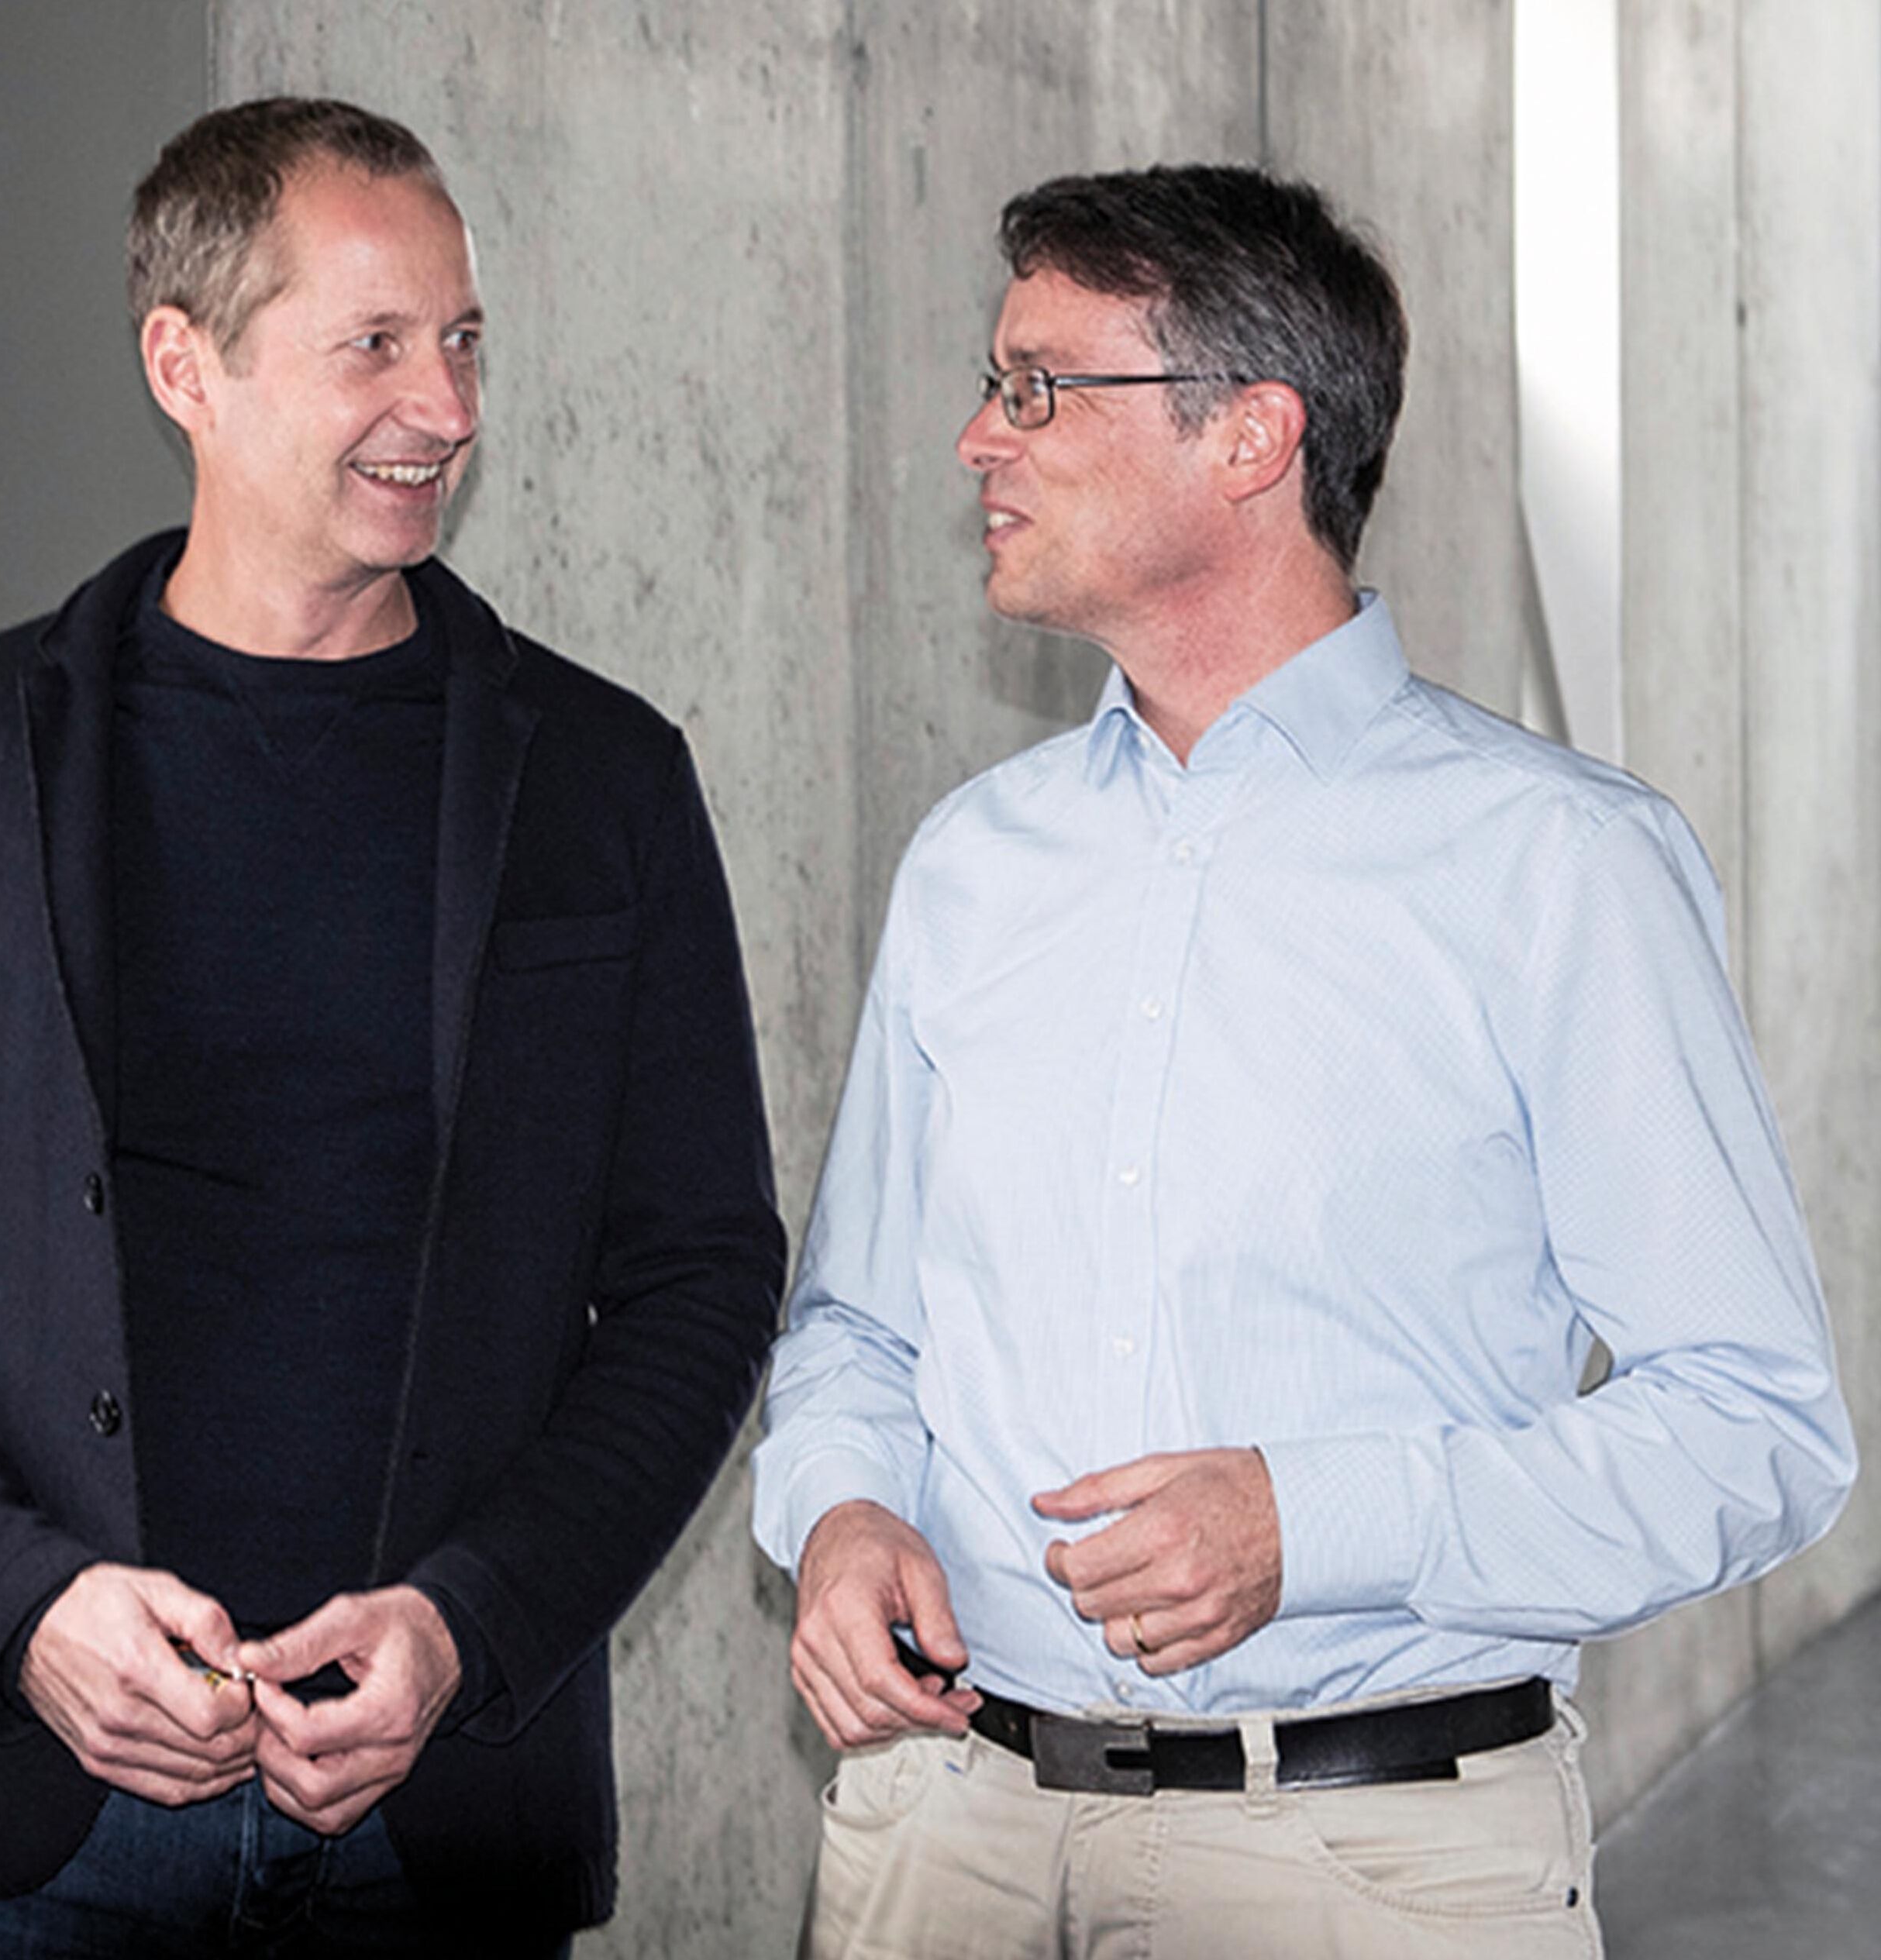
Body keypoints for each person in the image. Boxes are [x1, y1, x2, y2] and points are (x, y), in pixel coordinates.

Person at [751, 162, 1855, 1958]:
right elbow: (858, 1328)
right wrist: (843, 1506)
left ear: (1251, 436)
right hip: (937, 1839)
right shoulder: (970, 862)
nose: (975, 437)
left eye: (1038, 385)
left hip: (1364, 1869)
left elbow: (1753, 1429)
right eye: (989, 379)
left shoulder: (1556, 864)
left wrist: (1316, 1516)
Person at [0, 96, 787, 1955]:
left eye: (461, 339)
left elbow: (702, 1269)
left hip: (441, 1813)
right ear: (185, 364)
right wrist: (19, 1603)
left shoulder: (605, 779)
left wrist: (471, 1623)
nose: (446, 406)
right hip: (28, 1820)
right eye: (374, 343)